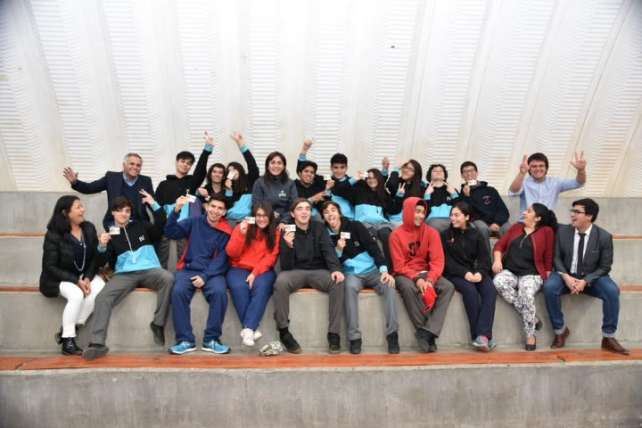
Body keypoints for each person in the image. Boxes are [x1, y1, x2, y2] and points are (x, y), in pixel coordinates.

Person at [82, 194, 174, 360]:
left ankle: (158, 323)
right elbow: (102, 262)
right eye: (120, 210)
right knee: (102, 297)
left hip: (149, 269)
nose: (124, 214)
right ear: (113, 212)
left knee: (168, 278)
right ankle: (97, 343)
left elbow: (161, 225)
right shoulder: (110, 234)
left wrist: (153, 203)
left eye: (127, 211)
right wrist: (102, 246)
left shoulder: (141, 225)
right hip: (124, 274)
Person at [543, 198, 629, 355]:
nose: (572, 215)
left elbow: (605, 267)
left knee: (612, 291)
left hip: (592, 279)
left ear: (589, 216)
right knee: (549, 287)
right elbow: (556, 258)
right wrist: (566, 277)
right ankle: (560, 331)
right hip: (565, 275)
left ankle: (608, 337)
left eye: (577, 212)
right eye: (572, 211)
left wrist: (585, 281)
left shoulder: (604, 237)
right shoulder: (562, 231)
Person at [322, 201, 398, 354]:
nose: (330, 214)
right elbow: (331, 262)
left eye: (333, 210)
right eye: (326, 212)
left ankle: (393, 335)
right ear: (323, 217)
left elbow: (373, 247)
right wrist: (338, 250)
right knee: (349, 288)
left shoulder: (354, 225)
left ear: (339, 213)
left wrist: (384, 270)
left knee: (389, 286)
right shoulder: (325, 235)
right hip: (352, 274)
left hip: (372, 270)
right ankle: (354, 338)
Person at [272, 198, 345, 354]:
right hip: (295, 271)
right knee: (281, 282)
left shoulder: (319, 227)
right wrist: (288, 246)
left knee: (338, 281)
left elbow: (328, 250)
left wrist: (335, 269)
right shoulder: (288, 230)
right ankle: (284, 331)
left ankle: (334, 334)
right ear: (293, 214)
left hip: (318, 271)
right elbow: (286, 266)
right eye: (300, 209)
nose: (304, 212)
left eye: (307, 208)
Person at [164, 195, 233, 355]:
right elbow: (170, 232)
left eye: (220, 208)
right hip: (189, 269)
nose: (215, 211)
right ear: (206, 207)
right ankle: (185, 340)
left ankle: (211, 339)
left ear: (224, 212)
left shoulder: (227, 230)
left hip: (213, 272)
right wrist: (176, 210)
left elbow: (223, 259)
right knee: (178, 292)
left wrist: (205, 276)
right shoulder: (194, 221)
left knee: (219, 293)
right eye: (213, 206)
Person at [40, 196, 106, 355]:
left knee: (99, 288)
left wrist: (88, 278)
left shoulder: (88, 228)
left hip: (82, 275)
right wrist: (76, 281)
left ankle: (70, 328)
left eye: (82, 206)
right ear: (65, 212)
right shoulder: (53, 234)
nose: (83, 210)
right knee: (77, 294)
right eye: (78, 207)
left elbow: (94, 259)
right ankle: (68, 342)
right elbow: (49, 266)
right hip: (57, 279)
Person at [389, 197, 455, 353]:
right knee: (408, 288)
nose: (420, 215)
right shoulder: (395, 235)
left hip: (426, 272)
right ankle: (425, 332)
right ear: (408, 211)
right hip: (404, 273)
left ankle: (426, 332)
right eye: (416, 211)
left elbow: (437, 261)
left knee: (448, 287)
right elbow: (399, 265)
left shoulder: (431, 232)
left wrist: (430, 279)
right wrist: (417, 279)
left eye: (422, 212)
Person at [492, 203, 556, 351]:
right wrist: (497, 260)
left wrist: (547, 275)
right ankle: (532, 318)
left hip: (532, 274)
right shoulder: (516, 227)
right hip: (512, 271)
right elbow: (499, 245)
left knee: (526, 292)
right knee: (498, 281)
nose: (525, 213)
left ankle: (530, 335)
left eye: (529, 211)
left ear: (538, 218)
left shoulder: (546, 231)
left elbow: (549, 256)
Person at [441, 201, 496, 352]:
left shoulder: (476, 234)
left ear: (466, 217)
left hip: (475, 272)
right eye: (452, 215)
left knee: (490, 290)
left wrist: (479, 273)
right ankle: (480, 335)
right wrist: (464, 273)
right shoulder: (445, 235)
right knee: (470, 291)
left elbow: (485, 259)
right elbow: (446, 262)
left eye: (457, 215)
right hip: (455, 274)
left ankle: (482, 336)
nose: (453, 218)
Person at [155, 131, 214, 268]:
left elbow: (200, 171)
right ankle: (161, 275)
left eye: (189, 163)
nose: (185, 165)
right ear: (177, 162)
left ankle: (183, 274)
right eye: (182, 161)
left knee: (185, 255)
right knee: (161, 253)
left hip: (185, 226)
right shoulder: (164, 184)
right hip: (167, 223)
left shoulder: (191, 182)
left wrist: (207, 149)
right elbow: (157, 205)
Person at [225, 203, 280, 347]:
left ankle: (248, 328)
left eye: (265, 216)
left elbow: (271, 257)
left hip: (263, 270)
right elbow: (231, 253)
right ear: (253, 216)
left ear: (270, 217)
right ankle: (251, 329)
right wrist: (241, 234)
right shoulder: (243, 227)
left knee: (261, 287)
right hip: (239, 267)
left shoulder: (275, 232)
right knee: (239, 287)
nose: (261, 219)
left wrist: (255, 273)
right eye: (258, 215)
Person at [63, 153, 155, 230]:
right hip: (113, 224)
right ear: (124, 165)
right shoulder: (111, 178)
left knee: (142, 243)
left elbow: (153, 204)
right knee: (116, 243)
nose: (135, 167)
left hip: (138, 224)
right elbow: (90, 188)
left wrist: (160, 216)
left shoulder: (145, 181)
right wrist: (75, 183)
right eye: (132, 164)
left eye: (138, 165)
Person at [509, 151, 587, 215]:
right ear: (529, 169)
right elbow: (513, 191)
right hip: (526, 222)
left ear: (546, 168)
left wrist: (581, 170)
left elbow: (578, 183)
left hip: (547, 223)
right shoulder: (524, 182)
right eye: (534, 166)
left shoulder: (555, 182)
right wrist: (522, 173)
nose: (538, 169)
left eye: (541, 166)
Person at [458, 161, 510, 249]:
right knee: (482, 228)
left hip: (496, 220)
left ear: (477, 173)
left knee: (508, 228)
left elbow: (503, 209)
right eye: (465, 172)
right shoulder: (462, 194)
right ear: (462, 176)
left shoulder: (490, 190)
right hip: (478, 221)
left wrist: (497, 222)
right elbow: (467, 213)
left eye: (471, 170)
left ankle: (508, 256)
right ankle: (486, 257)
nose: (469, 174)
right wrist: (467, 197)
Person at [352, 168, 394, 269]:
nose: (371, 180)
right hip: (364, 223)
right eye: (369, 178)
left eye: (374, 178)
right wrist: (356, 179)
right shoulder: (359, 190)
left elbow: (392, 209)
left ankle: (390, 267)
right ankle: (381, 267)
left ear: (379, 179)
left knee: (386, 234)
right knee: (372, 237)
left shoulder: (383, 193)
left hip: (381, 223)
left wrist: (399, 196)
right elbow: (343, 190)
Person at [223, 132, 261, 222]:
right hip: (233, 219)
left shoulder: (250, 179)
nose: (232, 172)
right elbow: (228, 206)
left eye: (234, 169)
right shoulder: (228, 186)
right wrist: (229, 190)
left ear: (240, 169)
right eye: (229, 171)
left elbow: (251, 164)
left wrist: (241, 144)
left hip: (251, 218)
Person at [251, 151, 298, 222]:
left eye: (279, 163)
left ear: (284, 166)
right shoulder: (259, 182)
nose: (276, 166)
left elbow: (294, 206)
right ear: (267, 166)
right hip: (264, 219)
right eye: (273, 162)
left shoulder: (290, 183)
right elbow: (256, 205)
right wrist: (270, 214)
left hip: (286, 219)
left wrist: (284, 221)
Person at [295, 140, 331, 218]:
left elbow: (330, 178)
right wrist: (304, 150)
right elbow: (294, 205)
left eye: (312, 172)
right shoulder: (293, 185)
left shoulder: (317, 183)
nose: (309, 174)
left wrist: (327, 188)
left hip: (318, 220)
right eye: (306, 171)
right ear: (299, 173)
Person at [385, 159, 425, 225]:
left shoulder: (421, 187)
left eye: (410, 169)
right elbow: (390, 185)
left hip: (410, 220)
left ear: (416, 173)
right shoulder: (398, 181)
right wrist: (396, 169)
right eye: (405, 167)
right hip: (394, 218)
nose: (406, 170)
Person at [424, 163, 459, 232]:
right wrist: (427, 195)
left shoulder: (452, 189)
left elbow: (461, 209)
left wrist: (454, 194)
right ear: (430, 176)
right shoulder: (424, 189)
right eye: (435, 171)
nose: (438, 172)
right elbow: (424, 212)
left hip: (451, 220)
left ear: (444, 176)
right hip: (432, 221)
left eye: (441, 171)